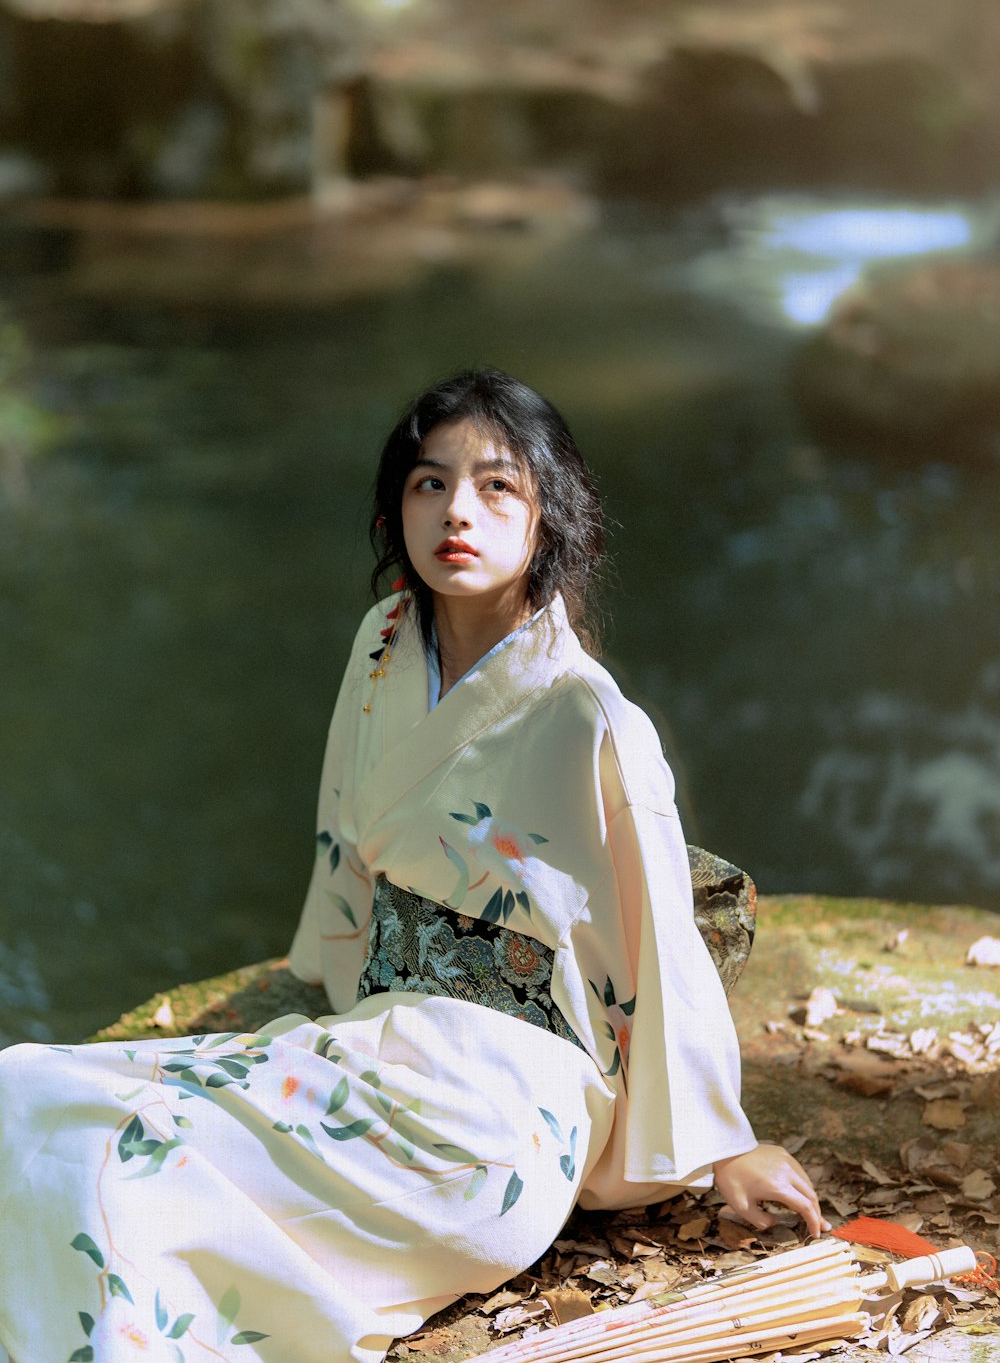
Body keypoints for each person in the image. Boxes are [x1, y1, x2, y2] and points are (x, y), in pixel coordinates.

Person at [0, 371, 825, 1363]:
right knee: (25, 1100)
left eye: (497, 488)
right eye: (430, 484)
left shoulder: (586, 714)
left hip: (500, 1104)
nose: (457, 513)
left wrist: (724, 1140)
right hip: (378, 1043)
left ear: (550, 518)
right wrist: (331, 992)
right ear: (396, 507)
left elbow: (659, 940)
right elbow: (346, 842)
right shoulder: (384, 643)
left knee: (109, 1178)